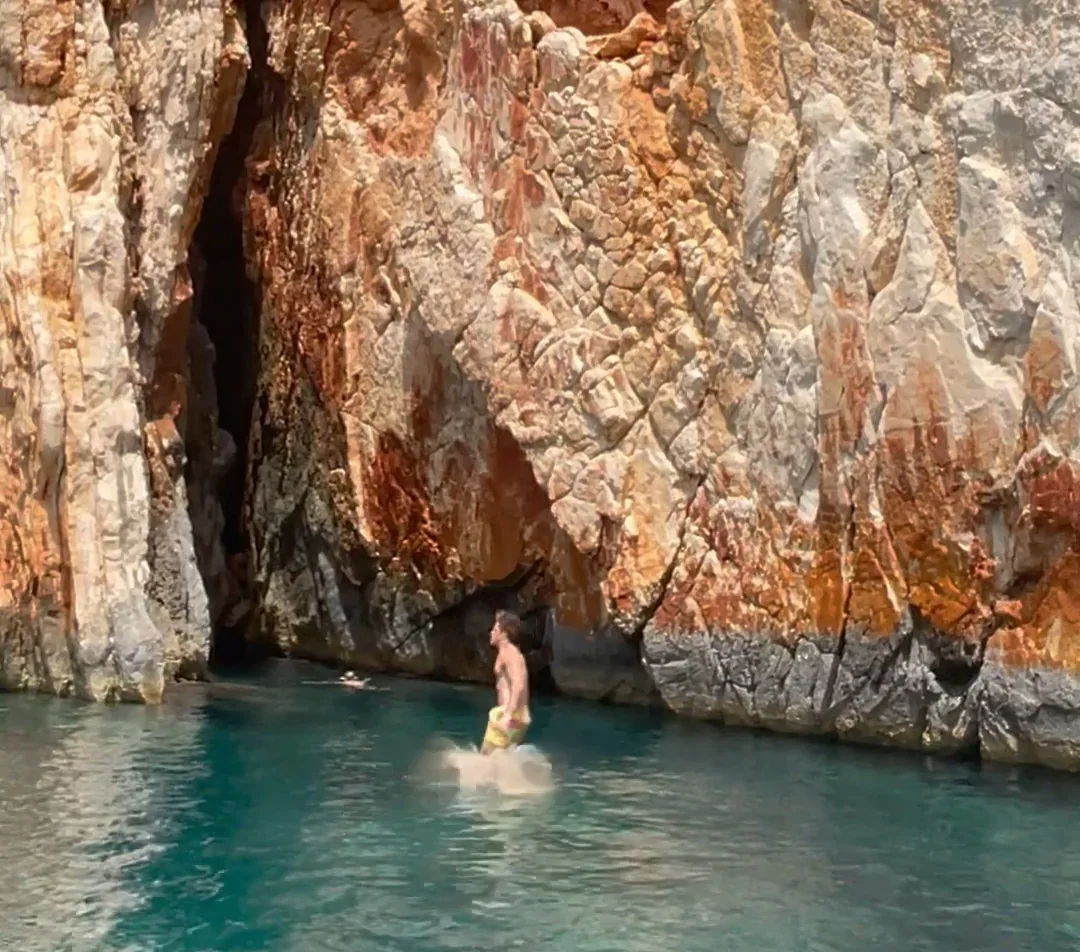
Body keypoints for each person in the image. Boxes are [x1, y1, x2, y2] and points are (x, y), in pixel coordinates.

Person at [480, 610, 531, 755]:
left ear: (504, 634)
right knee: (502, 760)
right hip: (516, 715)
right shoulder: (509, 653)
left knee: (486, 757)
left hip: (509, 715)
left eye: (495, 629)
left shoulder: (509, 653)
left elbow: (519, 684)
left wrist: (508, 714)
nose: (491, 632)